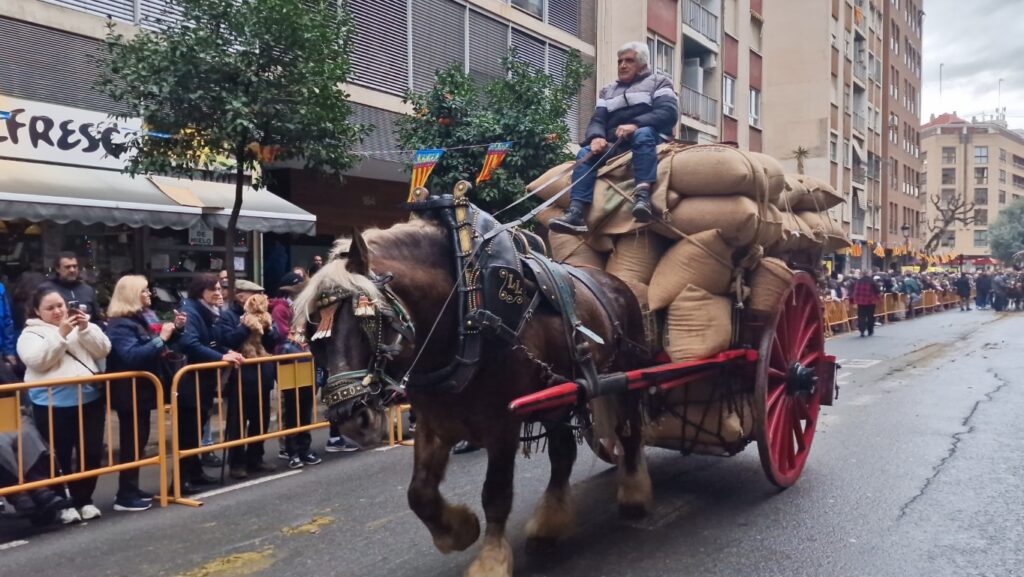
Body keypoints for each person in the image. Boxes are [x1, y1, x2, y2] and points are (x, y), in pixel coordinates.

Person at [549, 41, 679, 234]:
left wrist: (635, 124)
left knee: (642, 133)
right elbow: (598, 120)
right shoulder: (608, 91)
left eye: (629, 61)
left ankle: (642, 197)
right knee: (586, 152)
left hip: (651, 139)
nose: (622, 65)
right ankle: (576, 212)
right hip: (617, 144)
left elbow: (668, 112)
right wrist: (596, 137)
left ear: (642, 64)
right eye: (620, 61)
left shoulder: (659, 82)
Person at [17, 286, 110, 523]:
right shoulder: (30, 335)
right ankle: (64, 502)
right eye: (50, 308)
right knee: (59, 455)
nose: (58, 311)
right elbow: (38, 361)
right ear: (38, 311)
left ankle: (85, 499)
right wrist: (60, 335)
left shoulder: (82, 324)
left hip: (90, 400)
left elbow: (104, 349)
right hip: (52, 403)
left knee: (91, 451)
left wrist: (85, 328)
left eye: (60, 305)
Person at [105, 276, 186, 512]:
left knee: (139, 440)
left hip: (143, 390)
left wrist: (176, 330)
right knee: (132, 442)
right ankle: (125, 494)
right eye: (143, 291)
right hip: (128, 391)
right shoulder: (121, 324)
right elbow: (131, 356)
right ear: (131, 294)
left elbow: (160, 346)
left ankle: (132, 487)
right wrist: (161, 339)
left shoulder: (141, 319)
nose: (149, 294)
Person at [177, 274, 244, 493]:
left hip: (203, 380)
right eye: (212, 289)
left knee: (197, 427)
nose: (218, 292)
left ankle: (195, 472)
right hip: (189, 380)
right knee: (187, 431)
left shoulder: (210, 312)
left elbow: (213, 342)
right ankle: (180, 480)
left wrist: (227, 352)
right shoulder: (191, 311)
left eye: (219, 288)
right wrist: (220, 358)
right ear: (200, 291)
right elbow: (190, 342)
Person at [217, 279, 283, 479]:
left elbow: (274, 342)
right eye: (253, 293)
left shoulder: (265, 315)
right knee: (237, 422)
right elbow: (226, 341)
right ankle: (236, 462)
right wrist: (245, 327)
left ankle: (256, 458)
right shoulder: (228, 316)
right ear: (241, 296)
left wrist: (269, 329)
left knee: (260, 419)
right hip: (240, 376)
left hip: (262, 374)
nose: (260, 297)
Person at [40, 252, 98, 321]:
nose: (72, 270)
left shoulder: (88, 290)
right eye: (67, 267)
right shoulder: (46, 289)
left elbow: (96, 318)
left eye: (74, 266)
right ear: (57, 269)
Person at [851, 271, 881, 337]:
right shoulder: (871, 281)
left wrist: (855, 300)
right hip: (871, 301)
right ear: (868, 274)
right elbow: (877, 290)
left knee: (861, 316)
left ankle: (862, 330)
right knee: (870, 316)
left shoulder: (858, 281)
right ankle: (870, 331)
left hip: (861, 301)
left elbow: (855, 291)